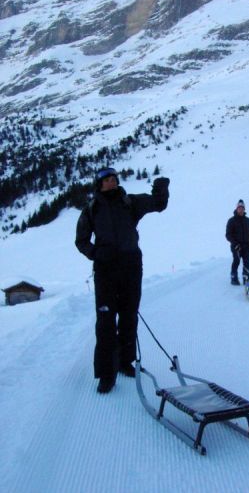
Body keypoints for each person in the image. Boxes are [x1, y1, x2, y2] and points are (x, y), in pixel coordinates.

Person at [75, 167, 169, 394]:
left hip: (131, 267)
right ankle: (106, 374)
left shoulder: (130, 202)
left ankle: (126, 362)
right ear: (99, 185)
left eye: (114, 179)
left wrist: (161, 188)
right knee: (106, 322)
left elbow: (158, 204)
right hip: (105, 271)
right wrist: (96, 253)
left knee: (128, 316)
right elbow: (81, 240)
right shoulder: (91, 209)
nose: (111, 182)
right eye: (106, 180)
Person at [225, 199, 249, 285]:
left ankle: (246, 278)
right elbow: (228, 235)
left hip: (246, 246)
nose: (241, 210)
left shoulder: (247, 220)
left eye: (242, 208)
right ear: (236, 209)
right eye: (239, 208)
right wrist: (235, 243)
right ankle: (234, 277)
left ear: (244, 209)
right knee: (236, 261)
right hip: (236, 246)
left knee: (247, 262)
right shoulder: (232, 220)